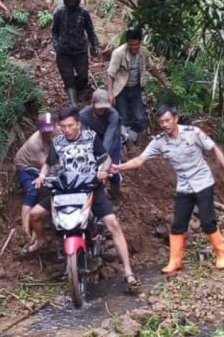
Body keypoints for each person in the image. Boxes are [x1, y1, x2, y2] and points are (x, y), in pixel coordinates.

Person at [111, 105, 224, 273]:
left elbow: (213, 148)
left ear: (176, 119)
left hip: (202, 181)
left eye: (167, 120)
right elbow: (140, 159)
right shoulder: (159, 142)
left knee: (207, 221)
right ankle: (175, 261)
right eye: (161, 122)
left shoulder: (193, 133)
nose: (164, 124)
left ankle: (221, 254)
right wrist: (120, 167)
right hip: (184, 186)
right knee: (178, 224)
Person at [28, 106, 141, 287]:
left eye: (71, 125)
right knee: (35, 214)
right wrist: (42, 176)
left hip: (89, 188)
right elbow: (48, 164)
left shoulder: (90, 138)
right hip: (65, 190)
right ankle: (41, 240)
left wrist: (103, 171)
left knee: (113, 224)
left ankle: (128, 271)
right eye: (63, 126)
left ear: (78, 124)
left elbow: (106, 159)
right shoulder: (58, 142)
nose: (67, 130)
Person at [107, 29, 170, 147]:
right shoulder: (118, 53)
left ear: (140, 43)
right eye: (131, 44)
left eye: (136, 44)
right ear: (127, 43)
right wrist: (110, 93)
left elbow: (152, 68)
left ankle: (141, 144)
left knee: (139, 117)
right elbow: (110, 74)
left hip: (135, 87)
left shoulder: (143, 52)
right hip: (120, 89)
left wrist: (164, 82)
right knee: (123, 117)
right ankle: (127, 144)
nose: (134, 47)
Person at [52, 0, 100, 106]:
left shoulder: (83, 13)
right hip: (64, 52)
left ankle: (76, 92)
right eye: (69, 1)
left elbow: (90, 30)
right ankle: (73, 104)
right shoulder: (59, 12)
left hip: (80, 51)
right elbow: (54, 31)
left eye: (74, 1)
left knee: (83, 77)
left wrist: (95, 45)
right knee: (68, 78)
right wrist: (56, 45)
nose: (71, 3)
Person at [14, 113, 57, 246]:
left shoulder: (59, 131)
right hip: (26, 166)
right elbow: (46, 165)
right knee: (32, 191)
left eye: (51, 130)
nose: (48, 134)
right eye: (45, 131)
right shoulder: (35, 143)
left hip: (42, 166)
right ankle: (25, 229)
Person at [79, 89, 123, 200]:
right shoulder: (83, 115)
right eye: (99, 107)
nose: (102, 110)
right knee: (94, 170)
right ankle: (98, 197)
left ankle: (115, 194)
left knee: (113, 170)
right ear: (92, 103)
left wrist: (103, 158)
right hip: (95, 140)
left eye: (104, 107)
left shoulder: (113, 114)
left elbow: (109, 136)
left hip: (112, 141)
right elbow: (85, 135)